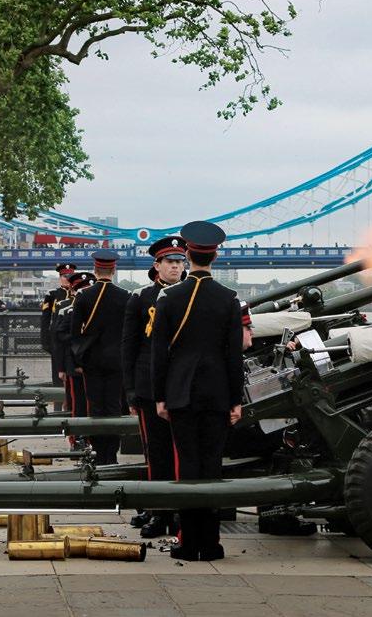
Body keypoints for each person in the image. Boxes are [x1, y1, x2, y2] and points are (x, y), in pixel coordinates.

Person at [151, 221, 243, 561]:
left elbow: (159, 354)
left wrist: (160, 396)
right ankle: (213, 542)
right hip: (218, 394)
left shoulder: (170, 298)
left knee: (187, 467)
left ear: (187, 255)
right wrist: (236, 399)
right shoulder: (229, 299)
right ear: (215, 256)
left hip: (180, 393)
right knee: (212, 467)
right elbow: (234, 356)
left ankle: (189, 543)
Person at [121, 236, 187, 538]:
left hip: (183, 385)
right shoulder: (141, 297)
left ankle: (181, 511)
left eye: (179, 261)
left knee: (184, 451)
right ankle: (159, 511)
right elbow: (130, 346)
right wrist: (131, 390)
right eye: (169, 261)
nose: (175, 266)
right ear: (156, 265)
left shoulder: (191, 294)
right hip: (149, 386)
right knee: (156, 452)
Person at [70, 250, 130, 465]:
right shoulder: (125, 296)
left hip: (92, 360)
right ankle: (111, 455)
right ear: (113, 270)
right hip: (117, 360)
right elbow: (128, 333)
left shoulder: (84, 296)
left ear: (95, 270)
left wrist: (79, 359)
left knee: (94, 407)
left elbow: (75, 332)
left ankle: (97, 454)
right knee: (114, 406)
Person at [54, 271, 96, 428]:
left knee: (95, 404)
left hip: (95, 364)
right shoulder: (67, 310)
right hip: (73, 364)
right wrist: (61, 367)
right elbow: (59, 340)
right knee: (77, 404)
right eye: (80, 289)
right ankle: (77, 437)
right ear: (73, 291)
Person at [41, 263, 76, 384]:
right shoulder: (52, 294)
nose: (67, 278)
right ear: (60, 277)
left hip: (72, 337)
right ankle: (58, 402)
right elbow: (45, 319)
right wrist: (45, 341)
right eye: (64, 276)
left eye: (70, 275)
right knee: (58, 376)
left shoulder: (78, 294)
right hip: (56, 338)